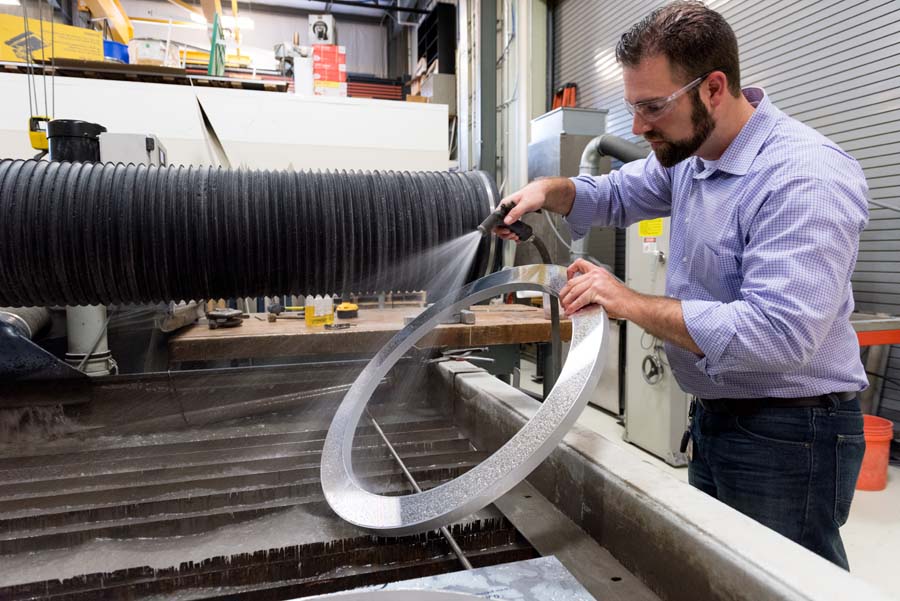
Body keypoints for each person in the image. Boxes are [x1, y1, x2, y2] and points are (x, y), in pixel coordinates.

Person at [497, 1, 869, 570]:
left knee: (782, 581)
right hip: (719, 415)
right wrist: (551, 189)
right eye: (633, 107)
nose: (640, 127)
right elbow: (618, 193)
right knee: (721, 573)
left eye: (652, 107)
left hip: (792, 431)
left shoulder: (803, 175)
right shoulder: (693, 156)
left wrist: (630, 302)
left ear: (714, 88)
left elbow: (778, 334)